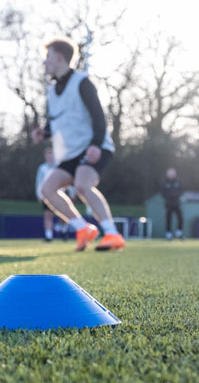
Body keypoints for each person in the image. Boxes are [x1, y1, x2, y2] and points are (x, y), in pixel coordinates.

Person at [32, 37, 126, 252]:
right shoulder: (51, 92)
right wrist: (43, 132)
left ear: (58, 58)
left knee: (83, 185)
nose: (44, 62)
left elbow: (98, 116)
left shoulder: (82, 82)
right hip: (70, 155)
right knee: (47, 189)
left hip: (94, 148)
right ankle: (83, 229)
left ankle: (112, 234)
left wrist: (95, 144)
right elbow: (57, 121)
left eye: (47, 57)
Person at [35, 148, 59, 242]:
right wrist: (39, 194)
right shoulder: (42, 168)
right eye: (48, 155)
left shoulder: (59, 166)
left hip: (59, 193)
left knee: (62, 215)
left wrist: (71, 192)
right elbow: (39, 182)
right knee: (48, 215)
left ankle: (64, 231)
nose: (49, 157)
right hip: (46, 195)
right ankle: (49, 236)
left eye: (51, 155)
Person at [161, 167, 184, 240]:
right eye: (170, 173)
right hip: (168, 204)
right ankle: (168, 234)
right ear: (167, 174)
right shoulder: (165, 182)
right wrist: (170, 197)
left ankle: (179, 233)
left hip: (176, 203)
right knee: (168, 219)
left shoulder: (178, 182)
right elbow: (163, 193)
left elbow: (181, 191)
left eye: (173, 173)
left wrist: (175, 196)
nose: (171, 174)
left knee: (180, 218)